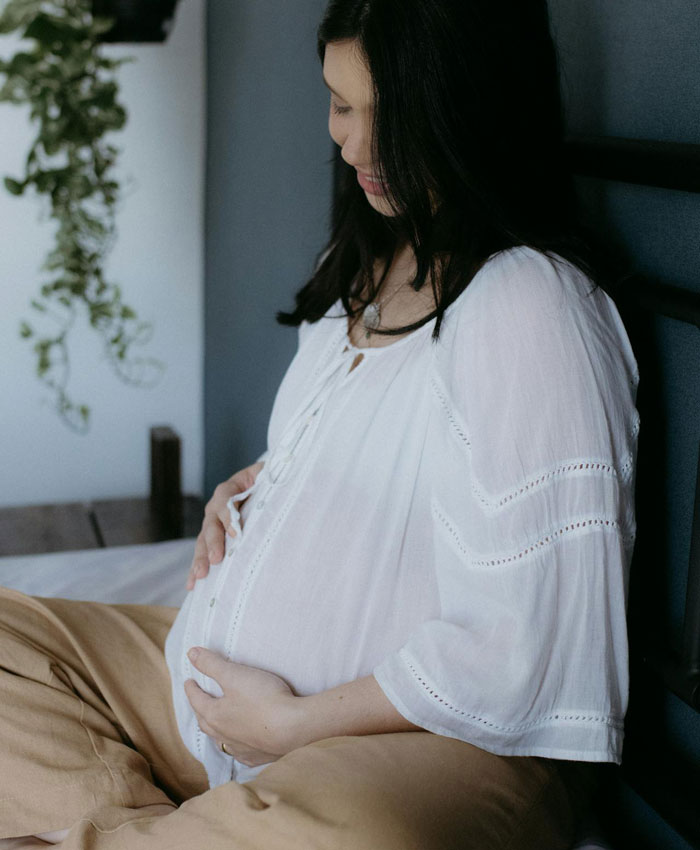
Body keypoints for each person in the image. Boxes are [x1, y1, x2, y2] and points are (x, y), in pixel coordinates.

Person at [0, 0, 639, 848]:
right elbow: (372, 463)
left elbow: (528, 644)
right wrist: (249, 502)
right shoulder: (376, 267)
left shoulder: (531, 302)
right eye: (341, 104)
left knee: (355, 838)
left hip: (407, 749)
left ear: (466, 108)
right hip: (212, 709)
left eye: (388, 115)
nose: (354, 144)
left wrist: (294, 729)